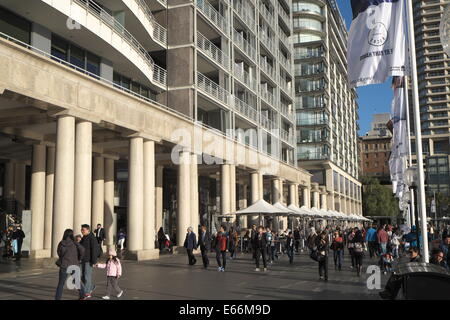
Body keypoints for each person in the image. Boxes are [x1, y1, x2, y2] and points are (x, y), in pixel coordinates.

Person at [55, 229, 85, 300]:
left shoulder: (61, 243)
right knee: (76, 281)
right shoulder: (75, 243)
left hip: (64, 265)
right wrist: (79, 259)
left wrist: (62, 257)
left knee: (61, 284)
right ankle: (82, 295)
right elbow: (82, 250)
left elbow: (59, 252)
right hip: (74, 264)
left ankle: (57, 298)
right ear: (72, 235)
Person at [79, 224, 101, 300]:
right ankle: (91, 286)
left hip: (89, 260)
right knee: (80, 276)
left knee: (87, 276)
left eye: (83, 230)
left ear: (88, 230)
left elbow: (95, 250)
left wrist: (94, 261)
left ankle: (87, 293)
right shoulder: (83, 238)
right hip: (82, 260)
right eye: (81, 230)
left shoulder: (92, 238)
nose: (82, 231)